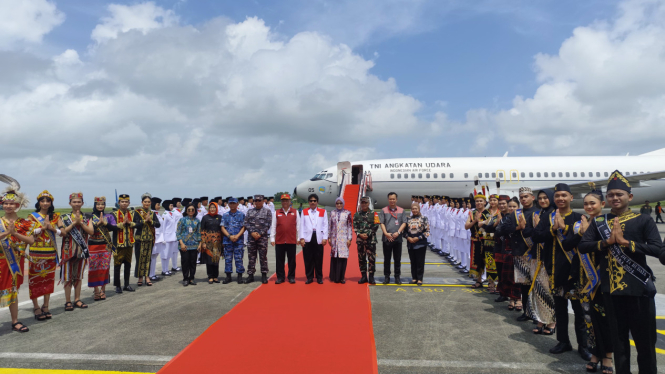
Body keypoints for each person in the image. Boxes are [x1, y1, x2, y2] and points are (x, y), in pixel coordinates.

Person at [580, 171, 663, 374]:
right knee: (619, 343)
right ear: (606, 199)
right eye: (611, 195)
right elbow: (584, 246)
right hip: (611, 290)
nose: (615, 198)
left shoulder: (643, 220)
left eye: (619, 194)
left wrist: (628, 244)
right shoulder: (600, 222)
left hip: (640, 289)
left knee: (645, 343)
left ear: (630, 197)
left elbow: (657, 249)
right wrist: (606, 243)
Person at [533, 184, 590, 360]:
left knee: (579, 311)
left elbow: (584, 240)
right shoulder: (548, 218)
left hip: (576, 271)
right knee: (560, 309)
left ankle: (584, 345)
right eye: (557, 196)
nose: (560, 199)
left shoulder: (579, 218)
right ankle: (563, 341)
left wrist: (565, 229)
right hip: (555, 269)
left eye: (564, 195)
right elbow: (536, 237)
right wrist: (553, 230)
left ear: (571, 198)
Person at [578, 190, 614, 373]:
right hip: (585, 277)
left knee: (606, 317)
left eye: (593, 203)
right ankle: (594, 353)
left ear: (602, 204)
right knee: (589, 318)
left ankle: (607, 355)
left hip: (604, 277)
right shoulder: (581, 223)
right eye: (586, 204)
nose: (589, 207)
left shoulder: (608, 223)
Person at [1, 184, 35, 333]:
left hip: (15, 262)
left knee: (13, 291)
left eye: (11, 203)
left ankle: (15, 321)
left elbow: (31, 241)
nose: (8, 206)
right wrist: (6, 232)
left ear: (17, 205)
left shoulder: (24, 223)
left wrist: (14, 233)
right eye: (5, 203)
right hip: (1, 260)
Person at [27, 190, 60, 321]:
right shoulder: (32, 216)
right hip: (35, 253)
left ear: (51, 203)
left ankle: (46, 306)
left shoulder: (55, 217)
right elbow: (29, 232)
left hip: (50, 253)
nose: (45, 203)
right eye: (42, 201)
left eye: (48, 201)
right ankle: (36, 307)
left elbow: (62, 232)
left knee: (48, 280)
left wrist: (52, 228)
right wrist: (42, 228)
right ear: (39, 202)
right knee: (34, 280)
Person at [58, 192, 94, 311]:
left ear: (82, 203)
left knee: (78, 276)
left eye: (79, 202)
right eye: (74, 202)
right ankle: (68, 301)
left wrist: (81, 223)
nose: (77, 204)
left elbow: (91, 232)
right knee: (67, 277)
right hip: (68, 252)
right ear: (70, 203)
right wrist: (74, 223)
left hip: (81, 252)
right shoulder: (63, 218)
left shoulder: (87, 217)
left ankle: (77, 299)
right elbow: (63, 233)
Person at [528, 189, 557, 336]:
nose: (543, 201)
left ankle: (551, 322)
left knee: (548, 291)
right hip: (537, 257)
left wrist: (540, 229)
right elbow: (534, 235)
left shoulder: (554, 214)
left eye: (546, 198)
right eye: (540, 198)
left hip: (549, 258)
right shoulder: (539, 214)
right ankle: (540, 319)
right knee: (538, 290)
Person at [513, 187, 538, 322]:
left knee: (535, 286)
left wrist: (525, 228)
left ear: (532, 198)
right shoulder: (516, 213)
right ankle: (527, 312)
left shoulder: (538, 213)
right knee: (524, 286)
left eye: (526, 196)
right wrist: (518, 227)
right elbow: (505, 228)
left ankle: (536, 314)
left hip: (533, 254)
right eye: (521, 197)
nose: (523, 199)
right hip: (520, 253)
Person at [110, 194, 142, 293]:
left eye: (126, 202)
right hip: (118, 244)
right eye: (122, 202)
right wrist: (122, 224)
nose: (124, 203)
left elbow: (140, 224)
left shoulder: (133, 213)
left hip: (129, 243)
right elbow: (110, 227)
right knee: (117, 265)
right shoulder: (113, 214)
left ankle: (127, 284)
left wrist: (130, 223)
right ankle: (118, 285)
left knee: (128, 264)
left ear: (129, 203)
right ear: (119, 203)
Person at [494, 197, 522, 311]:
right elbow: (499, 231)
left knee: (519, 277)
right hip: (507, 251)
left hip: (520, 251)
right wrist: (516, 228)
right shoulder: (505, 218)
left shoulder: (522, 217)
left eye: (514, 206)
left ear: (518, 207)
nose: (511, 208)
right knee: (509, 277)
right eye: (510, 206)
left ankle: (519, 299)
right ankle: (511, 298)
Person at [87, 196, 115, 301]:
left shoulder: (109, 216)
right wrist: (98, 224)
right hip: (93, 245)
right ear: (95, 205)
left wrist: (105, 223)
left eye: (102, 204)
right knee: (93, 268)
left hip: (105, 245)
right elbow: (89, 230)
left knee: (104, 268)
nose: (100, 206)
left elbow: (115, 227)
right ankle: (96, 290)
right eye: (98, 204)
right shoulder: (90, 216)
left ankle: (103, 289)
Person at [270, 194, 300, 284]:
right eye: (283, 201)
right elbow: (273, 226)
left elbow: (299, 226)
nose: (285, 202)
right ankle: (280, 277)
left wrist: (298, 238)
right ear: (281, 202)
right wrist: (272, 238)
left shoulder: (295, 212)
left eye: (287, 200)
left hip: (291, 240)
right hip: (280, 240)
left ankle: (291, 277)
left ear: (290, 201)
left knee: (292, 261)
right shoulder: (277, 212)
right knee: (280, 261)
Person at [299, 194, 328, 284]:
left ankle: (319, 277)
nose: (313, 202)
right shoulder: (304, 211)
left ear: (317, 202)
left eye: (314, 201)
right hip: (308, 237)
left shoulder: (323, 211)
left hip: (318, 236)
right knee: (308, 258)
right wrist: (302, 238)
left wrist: (325, 237)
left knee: (318, 258)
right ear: (308, 202)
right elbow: (301, 225)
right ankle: (309, 277)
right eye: (311, 201)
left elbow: (325, 225)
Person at [379, 192, 407, 285]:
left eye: (393, 199)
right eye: (390, 199)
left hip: (397, 238)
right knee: (387, 259)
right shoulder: (383, 210)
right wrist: (386, 234)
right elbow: (382, 223)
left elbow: (404, 222)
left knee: (397, 259)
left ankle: (397, 277)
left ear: (396, 200)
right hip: (387, 238)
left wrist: (398, 232)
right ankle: (387, 276)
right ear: (388, 200)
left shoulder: (402, 210)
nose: (392, 200)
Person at [244, 195, 272, 284]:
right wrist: (252, 232)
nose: (257, 202)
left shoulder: (267, 211)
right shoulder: (250, 211)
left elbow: (268, 224)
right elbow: (246, 223)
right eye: (256, 200)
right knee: (251, 257)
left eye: (259, 200)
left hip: (262, 238)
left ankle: (264, 275)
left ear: (263, 201)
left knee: (263, 256)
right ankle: (250, 275)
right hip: (251, 238)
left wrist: (260, 234)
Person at [133, 194, 161, 287]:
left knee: (148, 259)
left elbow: (158, 224)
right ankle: (140, 277)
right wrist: (144, 221)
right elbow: (135, 224)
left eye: (148, 202)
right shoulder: (137, 212)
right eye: (145, 202)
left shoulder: (152, 213)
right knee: (140, 258)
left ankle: (147, 276)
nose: (147, 203)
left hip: (149, 239)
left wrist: (151, 221)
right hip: (140, 239)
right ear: (142, 202)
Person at [354, 196, 379, 285]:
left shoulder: (374, 214)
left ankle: (371, 276)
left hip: (371, 240)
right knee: (361, 259)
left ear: (368, 204)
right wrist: (360, 234)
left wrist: (368, 234)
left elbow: (376, 226)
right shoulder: (357, 214)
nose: (364, 204)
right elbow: (355, 227)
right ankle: (363, 276)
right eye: (362, 203)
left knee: (371, 258)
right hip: (360, 240)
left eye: (366, 203)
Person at [221, 197, 246, 284]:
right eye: (230, 203)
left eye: (234, 203)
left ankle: (239, 276)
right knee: (228, 259)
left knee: (239, 258)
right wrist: (229, 236)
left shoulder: (241, 215)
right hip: (228, 240)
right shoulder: (225, 215)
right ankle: (228, 276)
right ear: (228, 204)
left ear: (237, 204)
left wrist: (237, 236)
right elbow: (222, 227)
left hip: (238, 240)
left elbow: (244, 227)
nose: (232, 205)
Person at [329, 197, 353, 284]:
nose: (339, 205)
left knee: (342, 258)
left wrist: (349, 238)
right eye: (337, 203)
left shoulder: (347, 213)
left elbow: (350, 226)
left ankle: (342, 277)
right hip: (334, 238)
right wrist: (329, 237)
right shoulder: (332, 213)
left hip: (344, 238)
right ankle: (334, 276)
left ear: (343, 204)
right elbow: (330, 226)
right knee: (335, 257)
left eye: (340, 203)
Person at [405, 202, 430, 285]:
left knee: (420, 261)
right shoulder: (408, 219)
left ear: (419, 209)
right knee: (413, 261)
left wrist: (418, 238)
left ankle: (420, 278)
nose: (414, 210)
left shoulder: (424, 219)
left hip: (420, 243)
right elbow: (404, 232)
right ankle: (414, 278)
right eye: (413, 209)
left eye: (416, 208)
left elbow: (427, 232)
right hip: (411, 243)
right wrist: (408, 237)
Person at [177, 203, 201, 286]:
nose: (191, 211)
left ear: (195, 211)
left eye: (192, 210)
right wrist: (181, 243)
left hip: (194, 244)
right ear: (186, 211)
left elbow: (199, 233)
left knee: (193, 262)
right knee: (185, 262)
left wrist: (200, 244)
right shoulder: (182, 220)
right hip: (184, 245)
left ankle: (192, 278)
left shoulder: (197, 221)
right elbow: (178, 233)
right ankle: (185, 278)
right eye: (189, 210)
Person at [201, 202, 223, 284]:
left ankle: (215, 276)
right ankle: (210, 276)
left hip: (217, 243)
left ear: (216, 208)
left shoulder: (220, 217)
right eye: (211, 207)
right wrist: (203, 242)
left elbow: (222, 229)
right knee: (209, 260)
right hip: (208, 243)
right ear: (209, 208)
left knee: (216, 260)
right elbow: (202, 230)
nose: (212, 209)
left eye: (214, 207)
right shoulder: (205, 218)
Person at [150, 199, 167, 281]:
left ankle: (152, 274)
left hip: (159, 238)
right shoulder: (151, 213)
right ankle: (150, 274)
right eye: (157, 204)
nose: (159, 206)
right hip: (154, 238)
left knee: (155, 256)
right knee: (152, 256)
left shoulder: (157, 214)